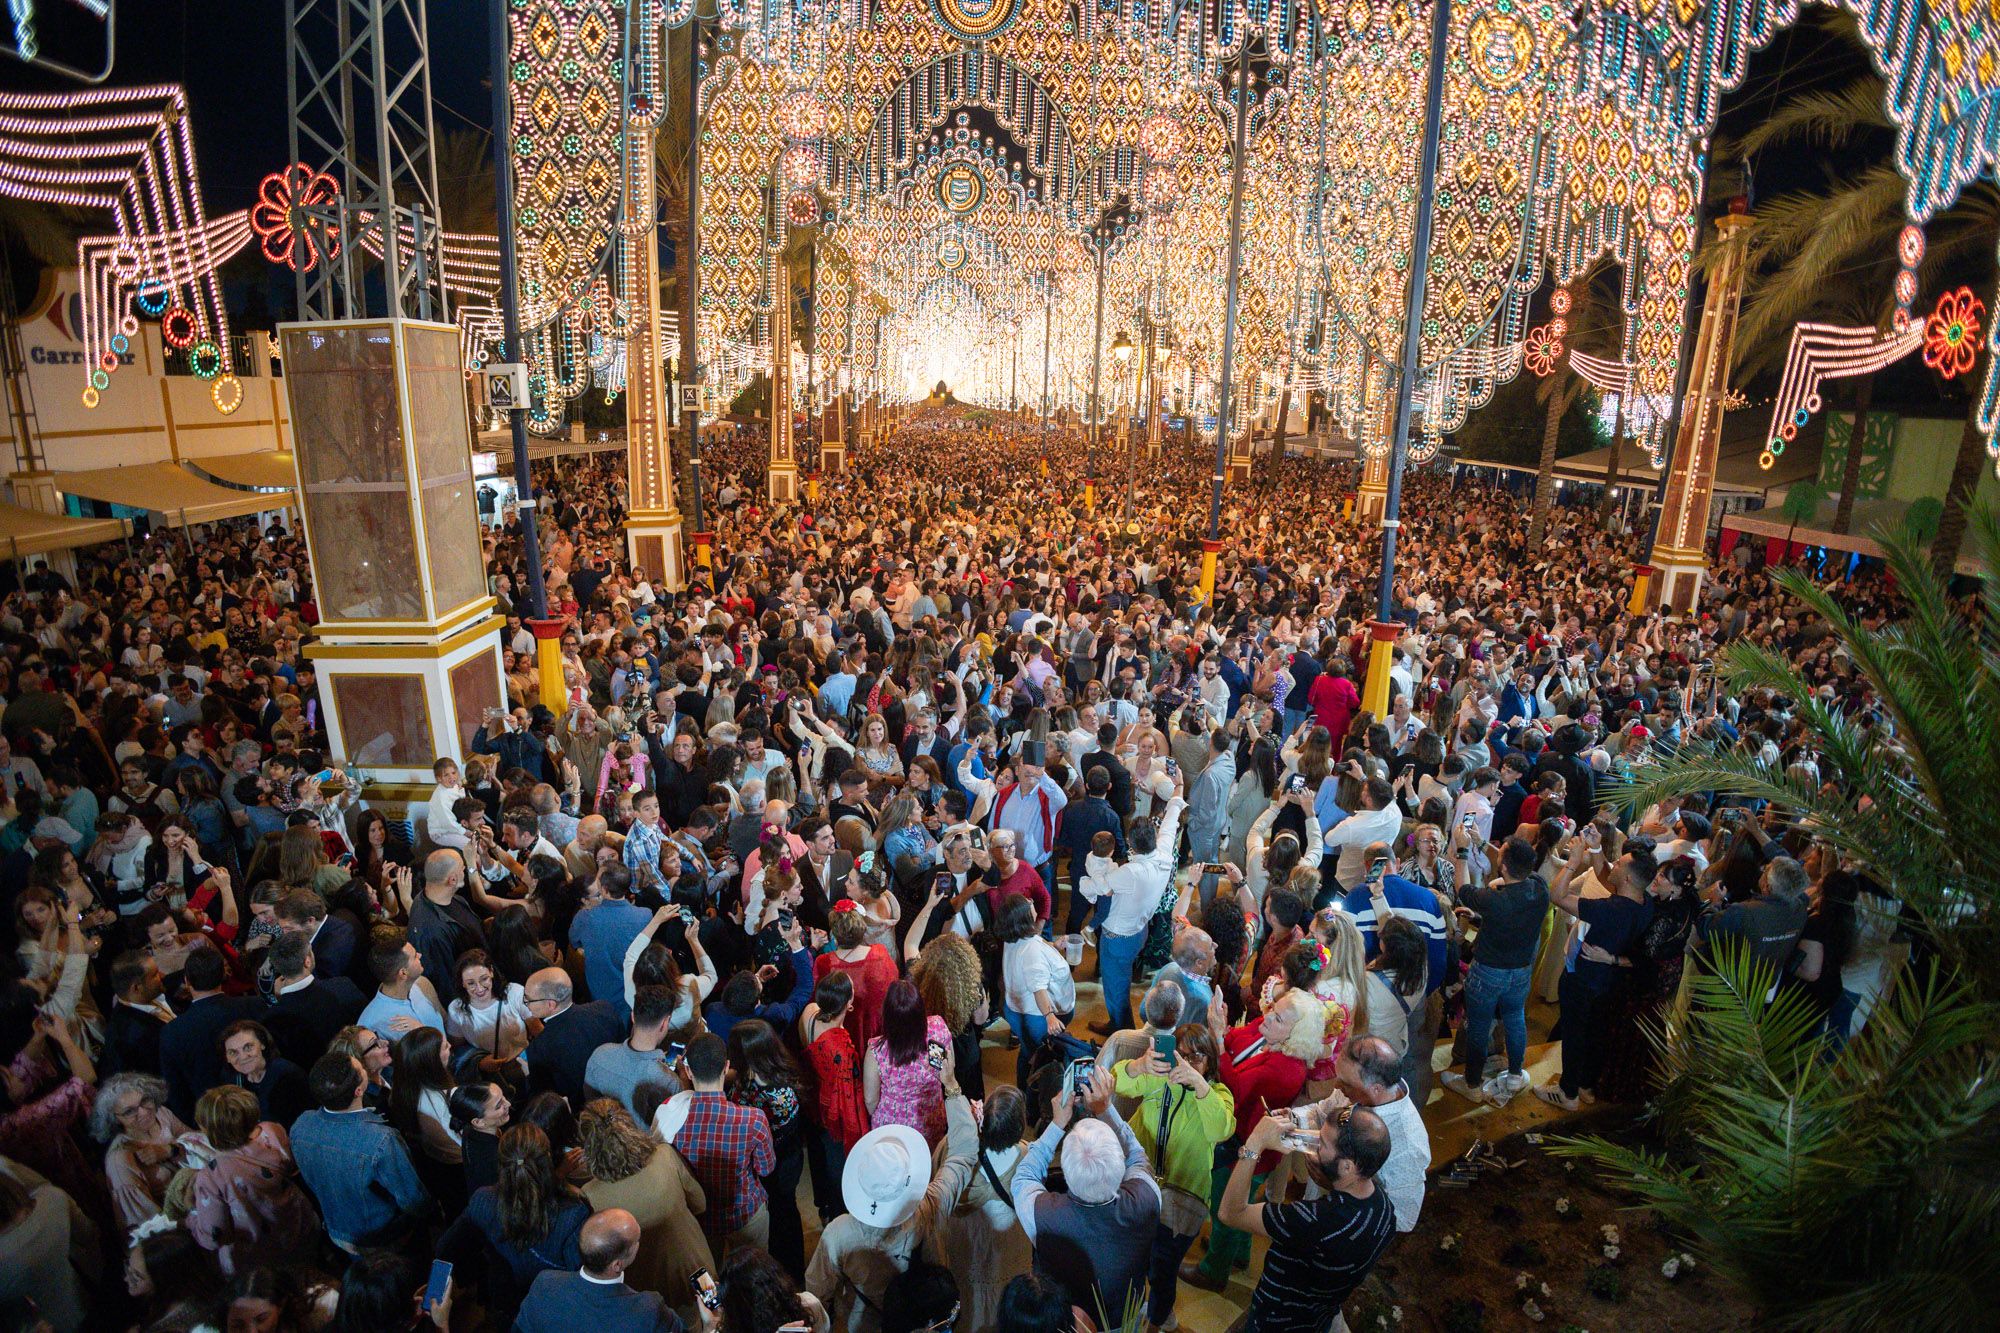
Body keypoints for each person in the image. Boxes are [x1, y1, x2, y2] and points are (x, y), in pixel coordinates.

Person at [805, 1059, 978, 1332]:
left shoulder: (837, 1234)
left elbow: (817, 1291)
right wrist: (952, 1087)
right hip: (922, 1322)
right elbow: (962, 1155)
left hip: (862, 1324)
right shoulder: (930, 1207)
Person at [1218, 1104, 1397, 1333]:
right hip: (1319, 1316)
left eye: (1321, 1144)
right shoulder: (1384, 1211)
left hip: (1276, 1322)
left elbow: (1230, 1212)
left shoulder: (1311, 1221)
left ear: (1347, 1166)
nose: (1313, 1145)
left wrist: (1255, 1142)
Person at [1010, 1066, 1161, 1326]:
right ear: (1120, 1169)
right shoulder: (1148, 1199)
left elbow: (1023, 1177)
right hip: (1124, 1318)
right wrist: (1105, 1109)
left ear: (1066, 1174)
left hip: (1068, 1322)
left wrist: (1057, 1124)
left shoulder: (1043, 1214)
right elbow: (1138, 1157)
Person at [1112, 1024, 1235, 1331]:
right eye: (1179, 1055)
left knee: (1163, 1269)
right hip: (1141, 1186)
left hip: (1182, 1199)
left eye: (1195, 1057)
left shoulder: (1218, 1093)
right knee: (1135, 1258)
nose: (1185, 1063)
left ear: (1210, 1062)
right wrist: (1139, 1065)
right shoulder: (1156, 1079)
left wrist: (1199, 1086)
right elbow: (1117, 1082)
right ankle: (1148, 1311)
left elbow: (1222, 1128)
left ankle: (1157, 1321)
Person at [1535, 830, 1660, 1112]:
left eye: (1619, 864)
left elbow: (1557, 895)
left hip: (1584, 980)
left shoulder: (1608, 909)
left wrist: (1572, 862)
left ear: (1628, 878)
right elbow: (1609, 877)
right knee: (1594, 1034)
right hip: (1609, 982)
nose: (1614, 865)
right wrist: (1595, 850)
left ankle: (1568, 1092)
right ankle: (1586, 1086)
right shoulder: (1644, 903)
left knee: (1574, 1034)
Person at [436, 1122, 590, 1324]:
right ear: (548, 1159)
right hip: (550, 1307)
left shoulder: (483, 1200)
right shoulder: (574, 1213)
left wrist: (436, 1292)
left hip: (504, 1299)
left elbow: (445, 1248)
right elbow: (579, 1279)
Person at [576, 1098, 714, 1315]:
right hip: (693, 1268)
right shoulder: (665, 1156)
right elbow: (700, 1203)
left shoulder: (589, 1194)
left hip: (643, 1290)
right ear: (630, 1127)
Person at [1442, 836, 1550, 1106]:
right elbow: (1516, 873)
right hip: (1521, 971)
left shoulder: (1493, 900)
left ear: (1502, 866)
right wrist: (1483, 844)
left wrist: (1464, 849)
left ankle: (1472, 1084)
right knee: (1515, 1019)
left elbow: (1462, 886)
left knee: (1478, 1027)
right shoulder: (1540, 889)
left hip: (1489, 971)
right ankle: (1515, 1075)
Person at [292, 1049, 431, 1250]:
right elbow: (413, 1199)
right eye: (360, 1068)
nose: (364, 1067)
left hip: (338, 1231)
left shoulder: (301, 1125)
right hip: (383, 1238)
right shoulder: (381, 1140)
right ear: (358, 1091)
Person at [1081, 787, 1183, 1034]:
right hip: (1140, 931)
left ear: (1130, 844)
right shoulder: (1164, 854)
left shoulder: (1130, 872)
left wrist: (1087, 878)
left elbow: (1101, 887)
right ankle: (1120, 1021)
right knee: (1122, 979)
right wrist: (1177, 795)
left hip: (1118, 937)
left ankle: (1120, 1028)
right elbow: (1170, 823)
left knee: (1115, 986)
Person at [186, 1085, 319, 1274]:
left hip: (259, 1260)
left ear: (210, 1129)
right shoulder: (273, 1131)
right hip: (300, 1229)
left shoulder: (212, 1176)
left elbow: (213, 1236)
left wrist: (190, 1217)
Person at [672, 1032, 776, 1259]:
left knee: (711, 1281)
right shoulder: (753, 1119)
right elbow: (766, 1168)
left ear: (688, 1071)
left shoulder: (671, 1120)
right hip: (745, 1213)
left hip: (701, 1219)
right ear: (726, 1066)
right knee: (756, 1276)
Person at [514, 1206, 688, 1333]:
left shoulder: (544, 1283)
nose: (639, 1243)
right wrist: (710, 1326)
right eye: (637, 1240)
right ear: (617, 1265)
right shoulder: (649, 1310)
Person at [158, 942, 260, 1123]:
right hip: (257, 1104)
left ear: (187, 981)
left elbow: (175, 1090)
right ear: (223, 975)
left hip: (212, 1118)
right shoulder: (253, 1007)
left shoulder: (172, 1032)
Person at [92, 1070, 188, 1233]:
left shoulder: (162, 1114)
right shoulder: (120, 1160)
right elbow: (148, 1226)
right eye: (129, 1111)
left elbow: (198, 1143)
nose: (144, 1112)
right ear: (115, 1119)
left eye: (145, 1101)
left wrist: (170, 1150)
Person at [995, 896, 1075, 1086]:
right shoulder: (1033, 952)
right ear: (1023, 917)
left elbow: (1031, 946)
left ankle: (1023, 1088)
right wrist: (1049, 1016)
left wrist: (1054, 946)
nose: (1032, 901)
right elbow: (1038, 989)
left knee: (1027, 1051)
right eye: (1028, 902)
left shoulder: (1013, 936)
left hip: (1016, 1008)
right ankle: (1033, 1093)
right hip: (1036, 1018)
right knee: (1040, 1057)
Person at [864, 979, 952, 1147]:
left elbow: (870, 1100)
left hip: (892, 1128)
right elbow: (946, 1070)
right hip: (931, 1118)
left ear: (888, 1016)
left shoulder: (876, 1051)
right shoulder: (938, 1030)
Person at [522, 965, 627, 1105]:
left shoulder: (539, 1048)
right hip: (621, 1092)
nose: (526, 1004)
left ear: (551, 1004)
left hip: (584, 1109)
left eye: (528, 1000)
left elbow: (545, 1099)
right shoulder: (604, 1009)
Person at [587, 983, 686, 1123]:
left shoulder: (599, 1055)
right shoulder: (670, 1082)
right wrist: (684, 1081)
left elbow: (591, 1107)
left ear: (633, 1016)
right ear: (665, 1023)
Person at [221, 1019, 313, 1127]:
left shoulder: (288, 1076)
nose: (243, 1057)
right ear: (227, 1058)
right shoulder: (230, 1078)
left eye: (248, 1047)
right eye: (233, 1052)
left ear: (262, 1044)